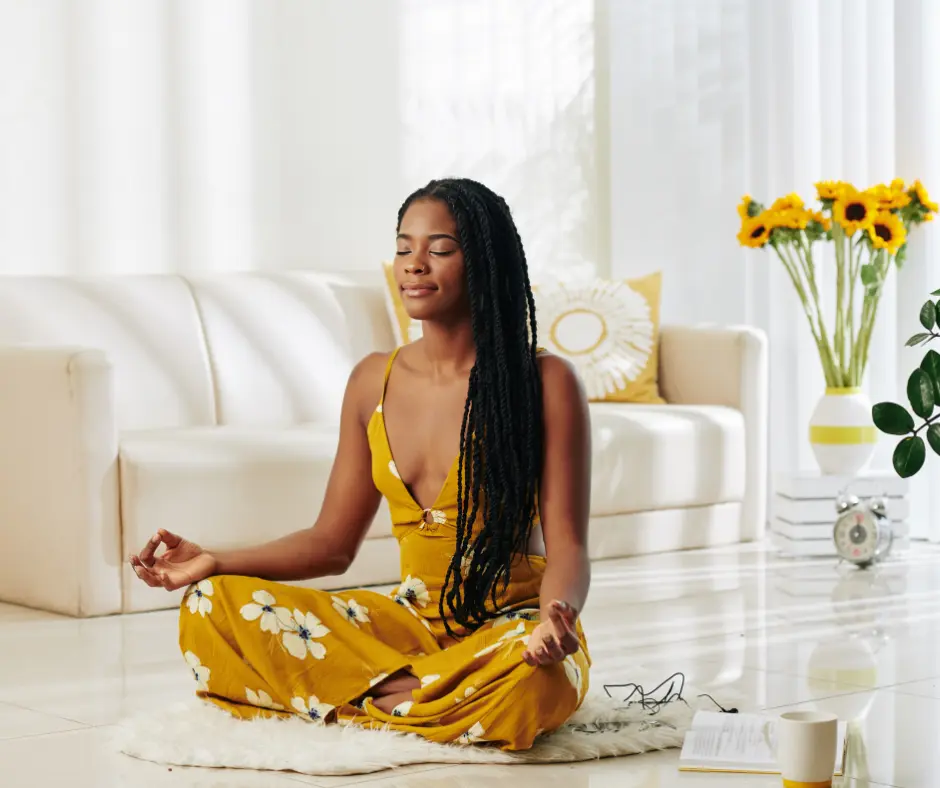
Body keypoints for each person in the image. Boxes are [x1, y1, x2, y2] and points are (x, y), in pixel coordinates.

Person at [128, 177, 593, 751]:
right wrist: (217, 560)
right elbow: (331, 543)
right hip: (405, 626)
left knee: (535, 682)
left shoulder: (545, 382)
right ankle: (423, 700)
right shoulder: (372, 379)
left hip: (507, 630)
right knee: (210, 606)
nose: (414, 265)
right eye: (403, 248)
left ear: (486, 262)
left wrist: (555, 619)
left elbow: (568, 542)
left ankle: (370, 696)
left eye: (440, 249)